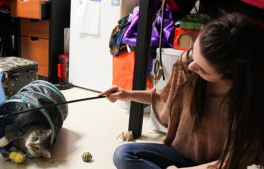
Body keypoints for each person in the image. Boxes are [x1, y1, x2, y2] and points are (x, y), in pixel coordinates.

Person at [99, 13, 264, 169]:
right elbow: (164, 97)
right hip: (179, 155)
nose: (192, 66)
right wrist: (126, 94)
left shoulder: (251, 102)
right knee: (123, 154)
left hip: (217, 165)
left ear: (231, 76)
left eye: (202, 69)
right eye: (193, 53)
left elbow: (231, 162)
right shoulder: (186, 65)